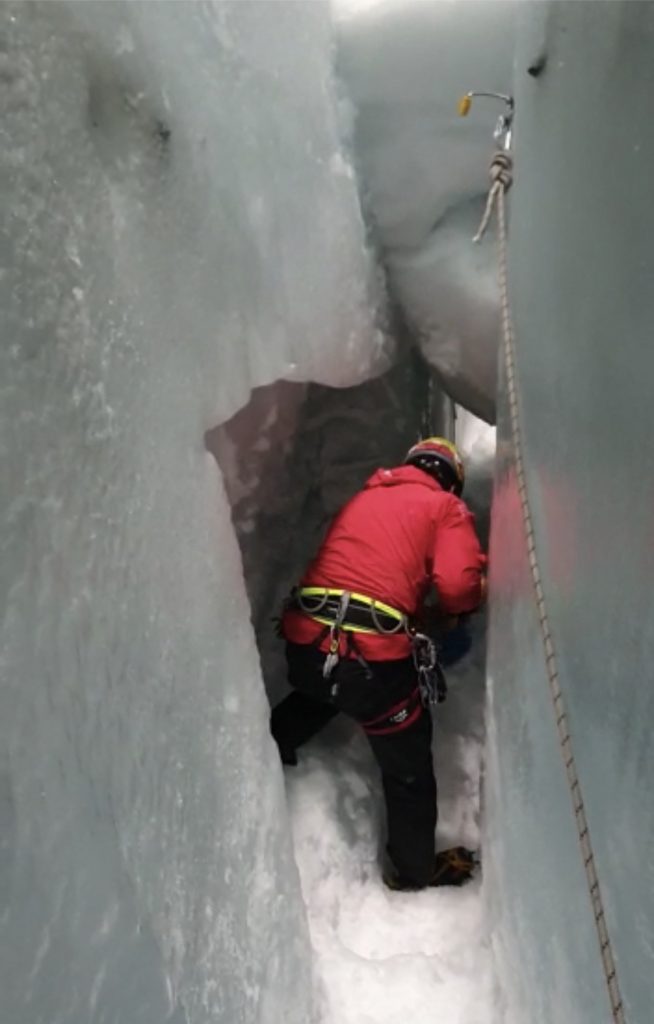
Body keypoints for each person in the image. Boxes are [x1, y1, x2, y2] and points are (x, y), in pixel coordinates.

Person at [271, 437, 486, 891]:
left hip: (306, 645)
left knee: (330, 679)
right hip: (373, 668)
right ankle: (414, 871)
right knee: (408, 768)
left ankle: (271, 744)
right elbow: (457, 585)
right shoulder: (444, 507)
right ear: (452, 481)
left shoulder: (365, 497)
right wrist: (469, 600)